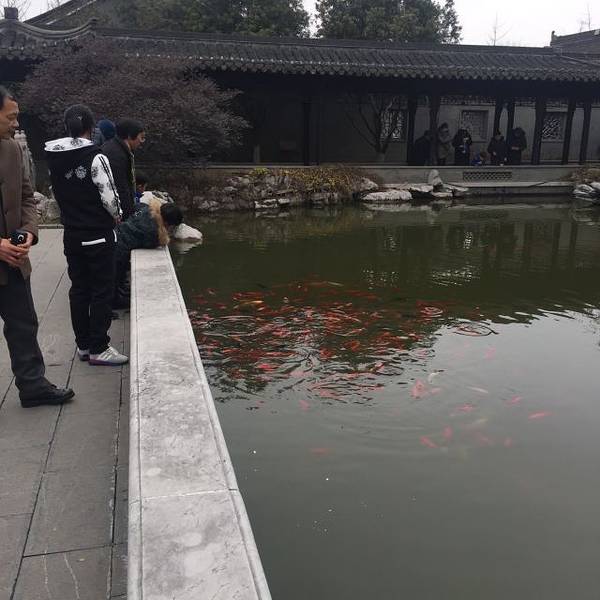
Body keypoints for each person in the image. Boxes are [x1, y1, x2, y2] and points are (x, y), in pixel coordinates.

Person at [0, 86, 74, 407]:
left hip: (14, 258)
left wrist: (29, 231)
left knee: (23, 323)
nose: (16, 124)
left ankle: (32, 386)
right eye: (10, 117)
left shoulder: (12, 150)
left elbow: (27, 197)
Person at [45, 104, 128, 366]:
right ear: (91, 127)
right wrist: (118, 214)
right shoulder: (96, 156)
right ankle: (99, 347)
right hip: (98, 233)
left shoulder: (53, 157)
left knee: (79, 289)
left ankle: (83, 345)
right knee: (102, 290)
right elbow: (109, 197)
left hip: (72, 233)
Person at [114, 199, 183, 304]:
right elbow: (153, 243)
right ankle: (115, 300)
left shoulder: (147, 209)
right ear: (167, 223)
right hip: (120, 248)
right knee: (116, 274)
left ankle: (119, 291)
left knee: (118, 274)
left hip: (117, 235)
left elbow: (136, 206)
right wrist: (164, 236)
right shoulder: (153, 231)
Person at [102, 118, 145, 221]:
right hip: (114, 215)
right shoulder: (115, 155)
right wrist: (128, 215)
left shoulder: (119, 149)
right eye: (141, 137)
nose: (141, 141)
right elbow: (120, 188)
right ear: (130, 136)